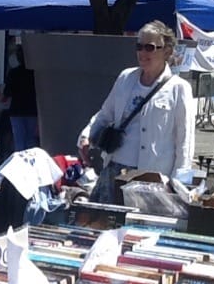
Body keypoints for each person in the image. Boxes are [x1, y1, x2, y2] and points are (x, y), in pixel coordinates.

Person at [76, 20, 195, 204]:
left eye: (150, 47)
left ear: (167, 51)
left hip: (150, 179)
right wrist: (86, 136)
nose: (142, 53)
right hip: (114, 172)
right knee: (101, 225)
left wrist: (179, 185)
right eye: (139, 46)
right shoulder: (125, 78)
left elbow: (184, 141)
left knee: (138, 230)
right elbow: (105, 114)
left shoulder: (179, 88)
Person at [3, 45, 38, 151]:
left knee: (19, 140)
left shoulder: (13, 73)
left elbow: (7, 92)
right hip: (32, 110)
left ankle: (20, 161)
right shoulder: (35, 73)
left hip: (16, 110)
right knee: (31, 139)